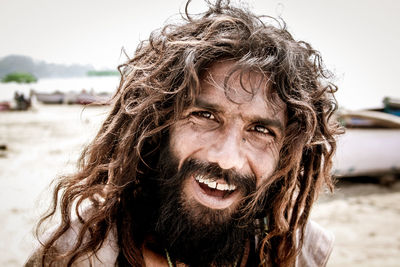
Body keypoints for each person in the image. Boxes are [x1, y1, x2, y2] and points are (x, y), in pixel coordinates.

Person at [25, 0, 342, 266]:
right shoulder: (80, 251)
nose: (227, 158)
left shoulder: (298, 254)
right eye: (204, 116)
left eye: (260, 130)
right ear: (158, 126)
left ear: (286, 151)